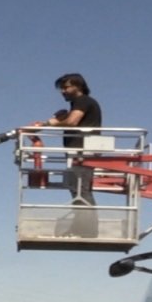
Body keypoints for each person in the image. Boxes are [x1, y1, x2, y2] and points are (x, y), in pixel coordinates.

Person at [37, 73, 102, 237]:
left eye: (66, 87)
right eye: (61, 88)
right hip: (78, 152)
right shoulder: (78, 103)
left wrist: (50, 124)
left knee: (80, 190)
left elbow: (73, 122)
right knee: (77, 190)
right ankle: (82, 228)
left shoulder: (83, 101)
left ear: (78, 87)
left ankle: (87, 230)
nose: (63, 91)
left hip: (82, 152)